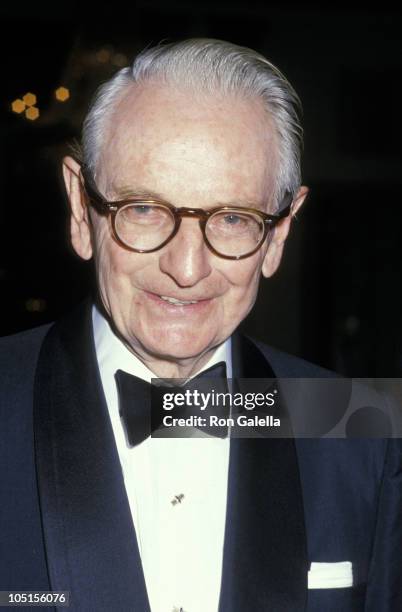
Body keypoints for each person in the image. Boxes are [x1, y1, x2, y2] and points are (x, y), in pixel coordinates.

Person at [0, 38, 401, 612]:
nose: (187, 269)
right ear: (79, 209)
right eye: (142, 209)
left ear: (279, 235)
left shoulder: (361, 429)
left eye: (233, 218)